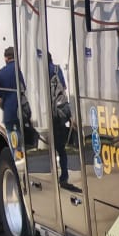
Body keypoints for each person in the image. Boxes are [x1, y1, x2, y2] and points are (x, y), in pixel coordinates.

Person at [0, 46, 26, 136]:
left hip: (9, 114)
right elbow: (23, 89)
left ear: (6, 58)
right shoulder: (17, 70)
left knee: (13, 141)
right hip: (21, 112)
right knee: (20, 139)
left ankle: (15, 150)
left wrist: (4, 105)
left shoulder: (1, 73)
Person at [48, 53, 71, 184]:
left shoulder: (42, 71)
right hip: (60, 113)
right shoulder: (57, 69)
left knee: (52, 147)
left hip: (50, 114)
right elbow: (64, 88)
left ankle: (54, 174)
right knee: (61, 148)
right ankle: (64, 174)